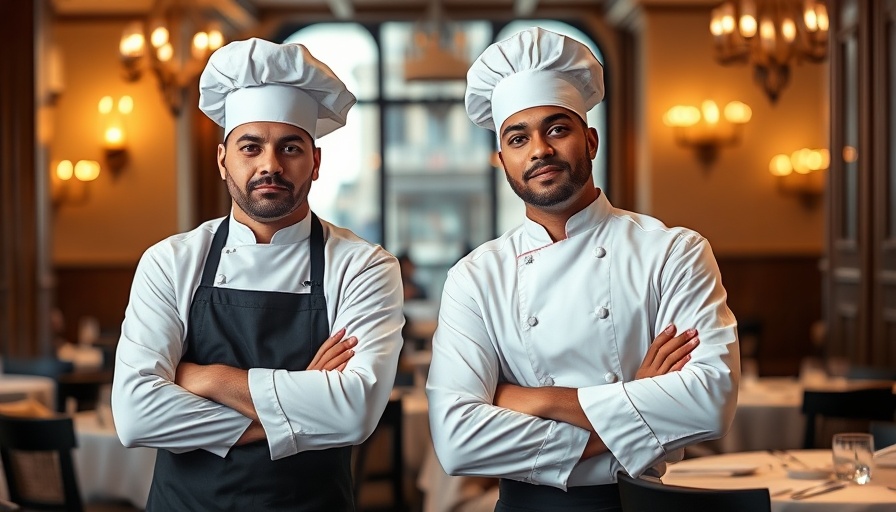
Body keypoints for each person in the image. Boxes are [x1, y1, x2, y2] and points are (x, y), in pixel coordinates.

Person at [425, 27, 739, 512]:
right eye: (518, 138)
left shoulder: (673, 252)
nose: (540, 150)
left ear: (590, 140)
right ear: (502, 160)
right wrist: (639, 401)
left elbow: (710, 401)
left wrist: (539, 399)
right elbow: (457, 440)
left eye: (557, 129)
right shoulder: (475, 277)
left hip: (636, 505)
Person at [111, 38, 404, 511]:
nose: (271, 165)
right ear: (223, 159)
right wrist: (300, 404)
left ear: (315, 162)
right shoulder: (170, 261)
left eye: (290, 147)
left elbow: (354, 412)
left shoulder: (363, 266)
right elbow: (135, 416)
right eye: (251, 147)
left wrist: (210, 378)